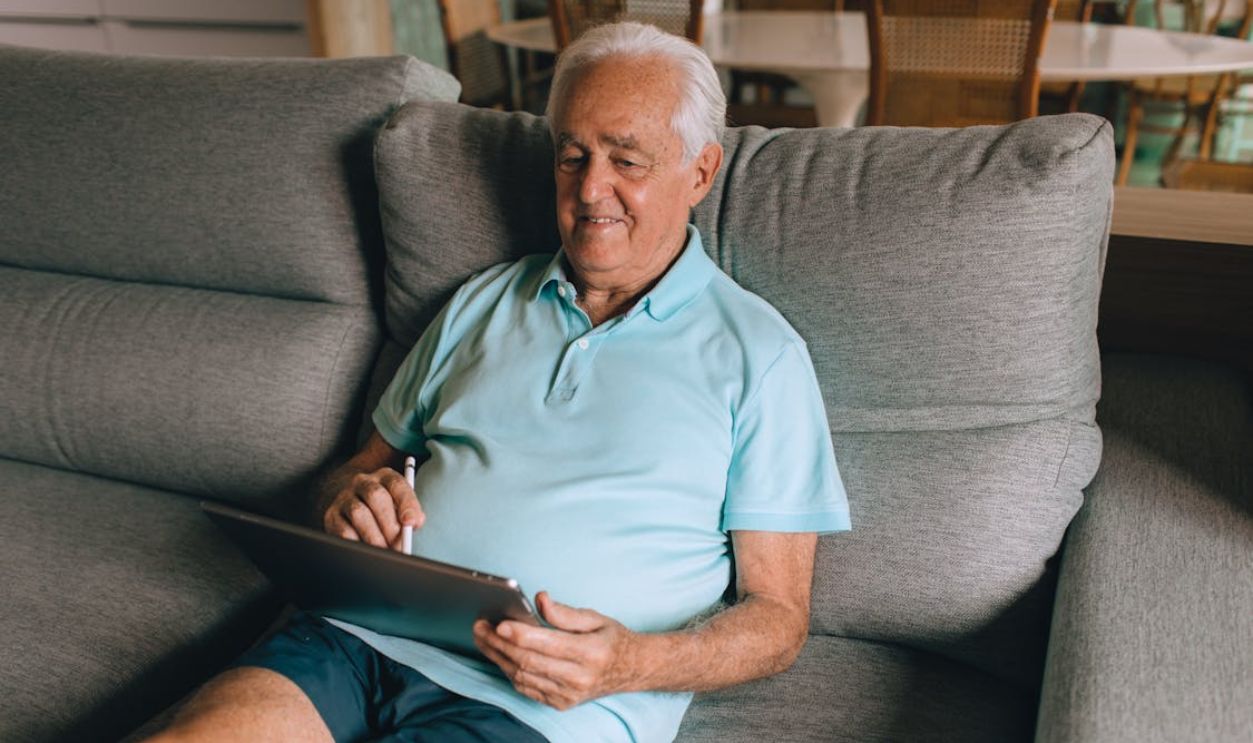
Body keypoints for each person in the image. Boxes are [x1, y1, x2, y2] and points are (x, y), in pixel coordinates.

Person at [148, 21, 849, 743]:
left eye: (626, 161)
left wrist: (630, 662)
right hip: (356, 639)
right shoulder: (481, 301)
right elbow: (357, 470)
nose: (589, 188)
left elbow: (777, 621)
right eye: (572, 156)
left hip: (541, 704)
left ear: (699, 172)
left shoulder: (759, 357)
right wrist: (346, 499)